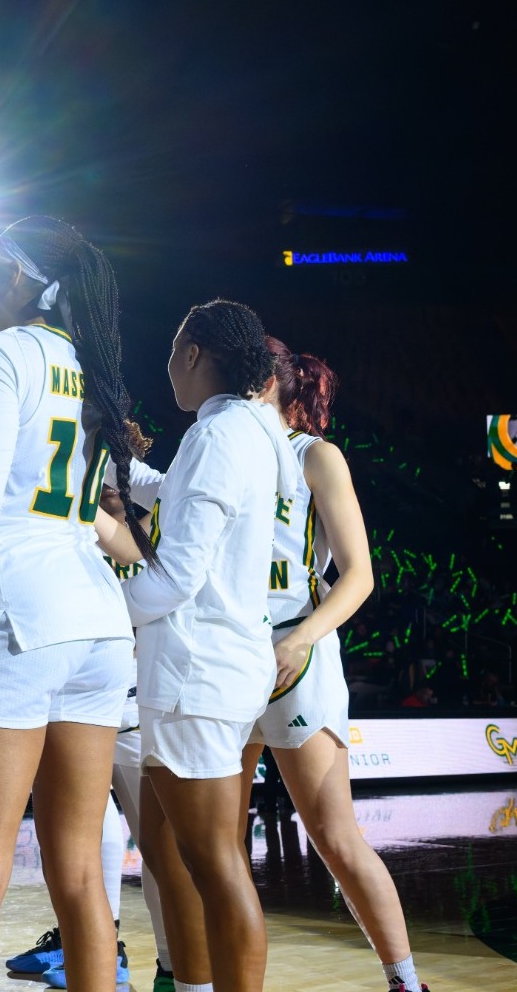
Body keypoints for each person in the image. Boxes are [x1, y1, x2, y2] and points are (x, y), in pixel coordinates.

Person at [0, 259, 168, 991]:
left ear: (34, 285)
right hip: (96, 624)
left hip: (13, 622)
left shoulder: (4, 353)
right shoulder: (90, 368)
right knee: (82, 867)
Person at [240, 337, 429, 992]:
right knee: (213, 847)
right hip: (228, 654)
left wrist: (297, 643)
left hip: (297, 649)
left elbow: (359, 578)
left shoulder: (314, 455)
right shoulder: (221, 448)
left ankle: (406, 982)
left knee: (335, 837)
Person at [123, 300, 299, 992]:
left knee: (217, 865)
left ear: (194, 355)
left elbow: (175, 578)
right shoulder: (249, 429)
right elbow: (182, 498)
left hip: (198, 673)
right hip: (221, 667)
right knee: (168, 850)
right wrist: (117, 469)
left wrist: (104, 603)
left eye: (171, 350)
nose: (167, 365)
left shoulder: (217, 435)